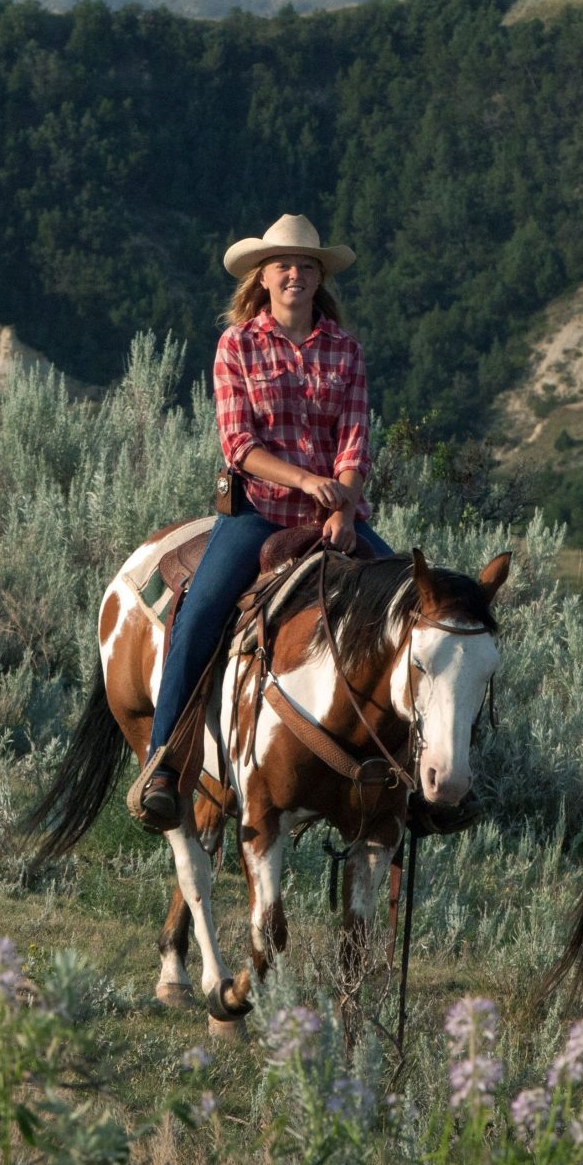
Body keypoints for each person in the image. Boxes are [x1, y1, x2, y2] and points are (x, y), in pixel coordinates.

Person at [130, 214, 392, 824]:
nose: (295, 274)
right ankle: (165, 763)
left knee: (409, 609)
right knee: (199, 614)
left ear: (319, 277)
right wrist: (308, 483)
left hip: (338, 518)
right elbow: (238, 445)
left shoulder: (345, 351)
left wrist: (345, 509)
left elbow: (355, 442)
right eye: (284, 266)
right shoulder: (237, 346)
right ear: (263, 277)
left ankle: (406, 783)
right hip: (259, 513)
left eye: (306, 265)